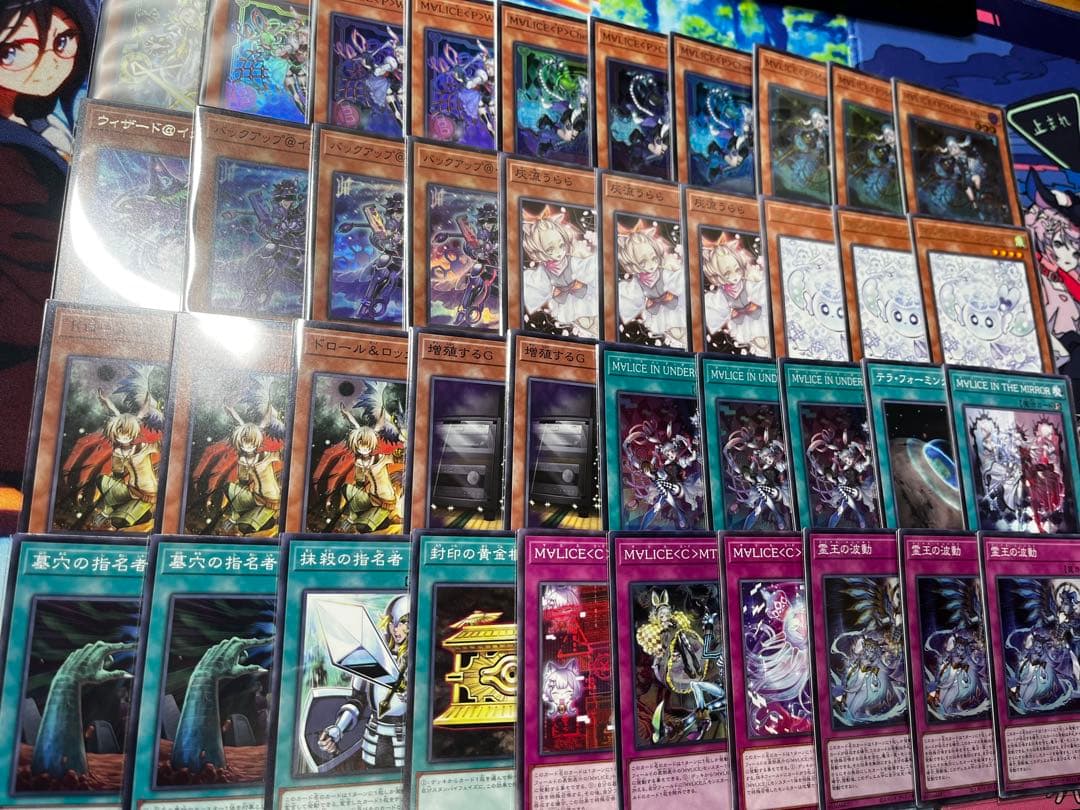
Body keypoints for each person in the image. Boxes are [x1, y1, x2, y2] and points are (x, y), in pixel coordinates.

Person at [0, 0, 94, 498]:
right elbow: (31, 268)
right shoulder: (11, 154)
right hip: (23, 365)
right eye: (15, 50)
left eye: (63, 42)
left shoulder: (38, 127)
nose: (46, 63)